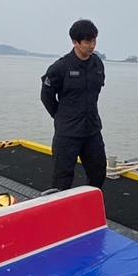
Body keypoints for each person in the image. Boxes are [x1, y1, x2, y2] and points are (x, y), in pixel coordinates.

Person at [41, 19, 106, 191]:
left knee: (99, 171)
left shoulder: (97, 64)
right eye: (87, 41)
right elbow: (46, 96)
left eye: (94, 40)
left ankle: (89, 205)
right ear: (75, 42)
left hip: (92, 130)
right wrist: (61, 116)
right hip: (68, 133)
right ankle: (61, 208)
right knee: (62, 178)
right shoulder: (60, 67)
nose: (92, 45)